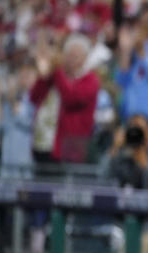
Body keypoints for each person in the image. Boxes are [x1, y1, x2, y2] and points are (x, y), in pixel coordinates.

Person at [29, 34, 100, 163]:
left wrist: (57, 71)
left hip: (70, 148)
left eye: (76, 55)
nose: (71, 59)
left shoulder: (90, 80)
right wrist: (44, 75)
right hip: (43, 143)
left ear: (85, 58)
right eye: (69, 54)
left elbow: (71, 98)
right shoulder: (56, 76)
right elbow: (34, 97)